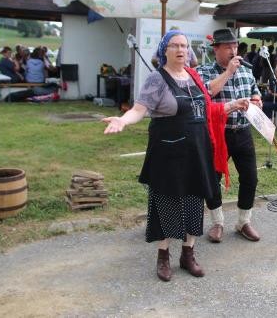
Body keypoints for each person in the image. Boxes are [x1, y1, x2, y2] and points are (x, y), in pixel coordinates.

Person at [102, 30, 249, 282]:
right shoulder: (156, 79)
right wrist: (123, 120)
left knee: (194, 201)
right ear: (164, 51)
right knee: (166, 203)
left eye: (184, 45)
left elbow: (206, 102)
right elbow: (139, 110)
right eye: (175, 45)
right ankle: (163, 256)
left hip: (196, 151)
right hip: (167, 152)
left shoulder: (193, 75)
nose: (181, 50)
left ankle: (188, 254)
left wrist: (231, 105)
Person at [197, 28, 264, 243]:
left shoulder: (246, 70)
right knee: (212, 179)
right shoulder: (205, 70)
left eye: (235, 46)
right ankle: (217, 223)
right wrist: (228, 72)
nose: (233, 51)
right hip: (217, 133)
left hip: (243, 131)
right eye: (228, 47)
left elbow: (254, 89)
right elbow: (208, 93)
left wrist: (256, 99)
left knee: (250, 178)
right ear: (215, 49)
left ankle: (243, 222)